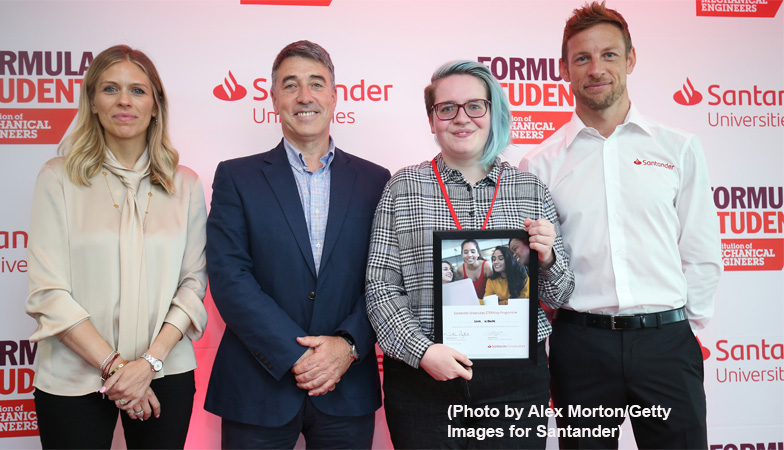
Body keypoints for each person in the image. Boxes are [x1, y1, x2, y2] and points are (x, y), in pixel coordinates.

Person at [520, 3, 723, 448]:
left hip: (666, 343)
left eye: (609, 55)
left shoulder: (679, 148)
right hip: (580, 346)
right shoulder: (539, 163)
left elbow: (702, 248)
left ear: (631, 59)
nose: (596, 69)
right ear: (564, 69)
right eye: (582, 58)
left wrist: (682, 326)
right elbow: (538, 265)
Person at [366, 60, 574, 449]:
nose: (461, 118)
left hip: (514, 381)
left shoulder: (531, 189)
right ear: (432, 120)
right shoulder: (402, 187)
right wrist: (421, 351)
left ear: (493, 112)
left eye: (474, 106)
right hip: (423, 380)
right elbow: (380, 288)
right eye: (447, 108)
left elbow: (559, 297)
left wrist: (547, 261)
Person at [204, 40, 389, 449]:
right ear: (273, 99)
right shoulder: (237, 177)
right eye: (290, 85)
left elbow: (384, 277)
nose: (304, 96)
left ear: (335, 96)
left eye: (316, 83)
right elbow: (229, 276)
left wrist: (347, 346)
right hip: (257, 387)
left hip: (347, 387)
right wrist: (297, 355)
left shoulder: (377, 181)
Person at [25, 45, 208, 449]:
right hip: (74, 378)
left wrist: (149, 364)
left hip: (164, 374)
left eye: (138, 91)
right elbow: (49, 293)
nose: (125, 101)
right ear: (92, 101)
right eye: (110, 88)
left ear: (156, 105)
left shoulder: (186, 185)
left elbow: (192, 286)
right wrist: (119, 368)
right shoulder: (58, 179)